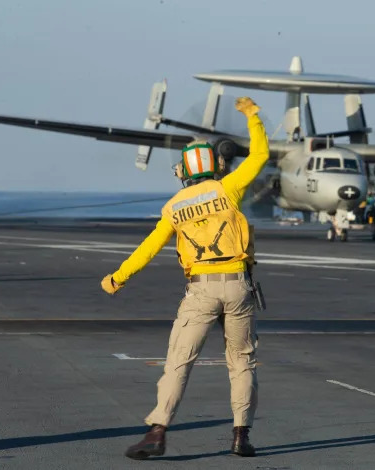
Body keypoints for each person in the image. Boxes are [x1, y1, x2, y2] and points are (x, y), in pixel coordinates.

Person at [100, 97, 269, 460]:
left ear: (184, 171)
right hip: (239, 286)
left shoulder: (174, 206)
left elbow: (147, 248)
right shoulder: (229, 188)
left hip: (201, 290)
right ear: (216, 166)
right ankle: (241, 436)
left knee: (179, 361)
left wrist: (118, 277)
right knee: (241, 361)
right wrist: (253, 117)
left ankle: (157, 432)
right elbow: (259, 157)